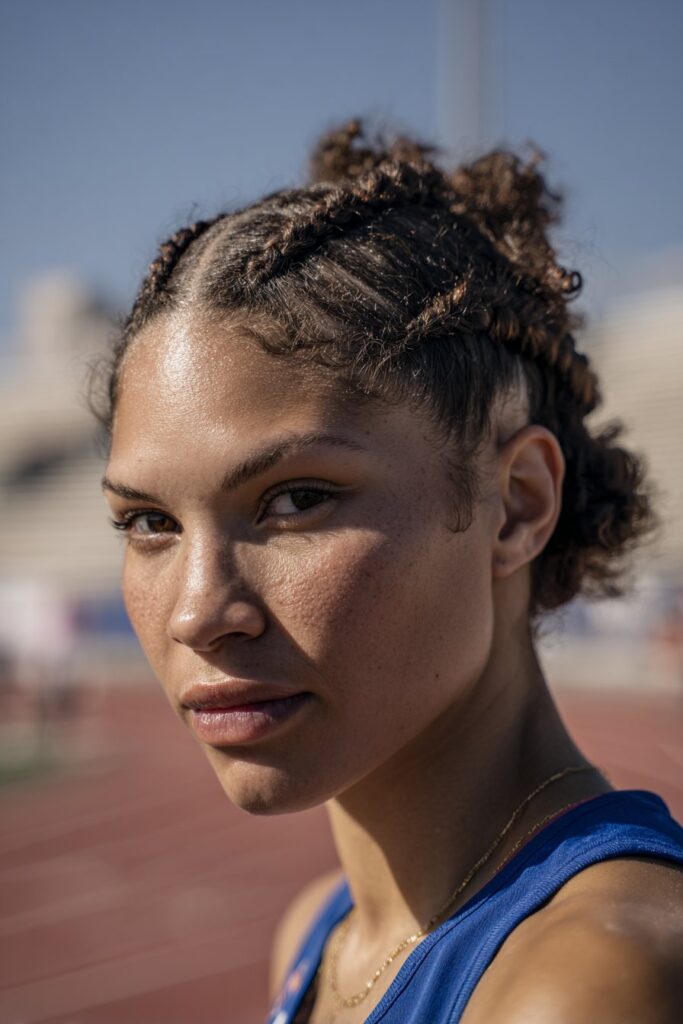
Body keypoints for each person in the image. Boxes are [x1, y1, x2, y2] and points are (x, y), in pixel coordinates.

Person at [96, 120, 683, 1023]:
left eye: (296, 500)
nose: (198, 613)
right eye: (149, 522)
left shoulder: (589, 983)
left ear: (517, 503)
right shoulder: (319, 932)